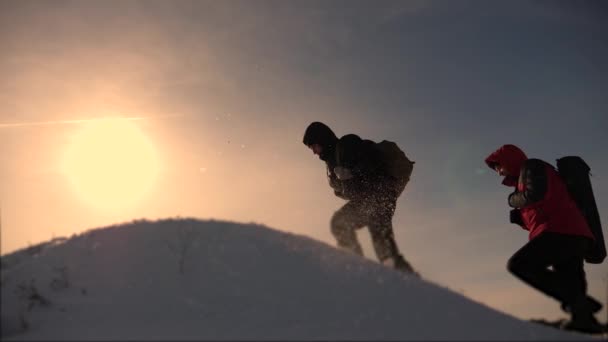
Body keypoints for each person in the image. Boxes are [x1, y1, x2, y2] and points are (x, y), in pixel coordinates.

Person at [485, 144, 603, 334]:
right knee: (572, 279)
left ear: (509, 160)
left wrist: (513, 199)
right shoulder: (525, 179)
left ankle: (581, 302)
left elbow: (536, 194)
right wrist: (521, 220)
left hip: (562, 232)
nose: (498, 172)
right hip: (574, 234)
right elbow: (543, 209)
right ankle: (585, 321)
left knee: (519, 264)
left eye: (499, 166)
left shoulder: (532, 167)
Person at [303, 121, 416, 274]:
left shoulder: (347, 144)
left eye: (314, 146)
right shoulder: (332, 163)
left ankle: (362, 270)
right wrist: (344, 182)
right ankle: (361, 267)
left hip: (378, 196)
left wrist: (351, 175)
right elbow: (348, 190)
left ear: (322, 139)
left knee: (346, 226)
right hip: (372, 199)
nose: (314, 152)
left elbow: (371, 168)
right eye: (312, 148)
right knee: (348, 227)